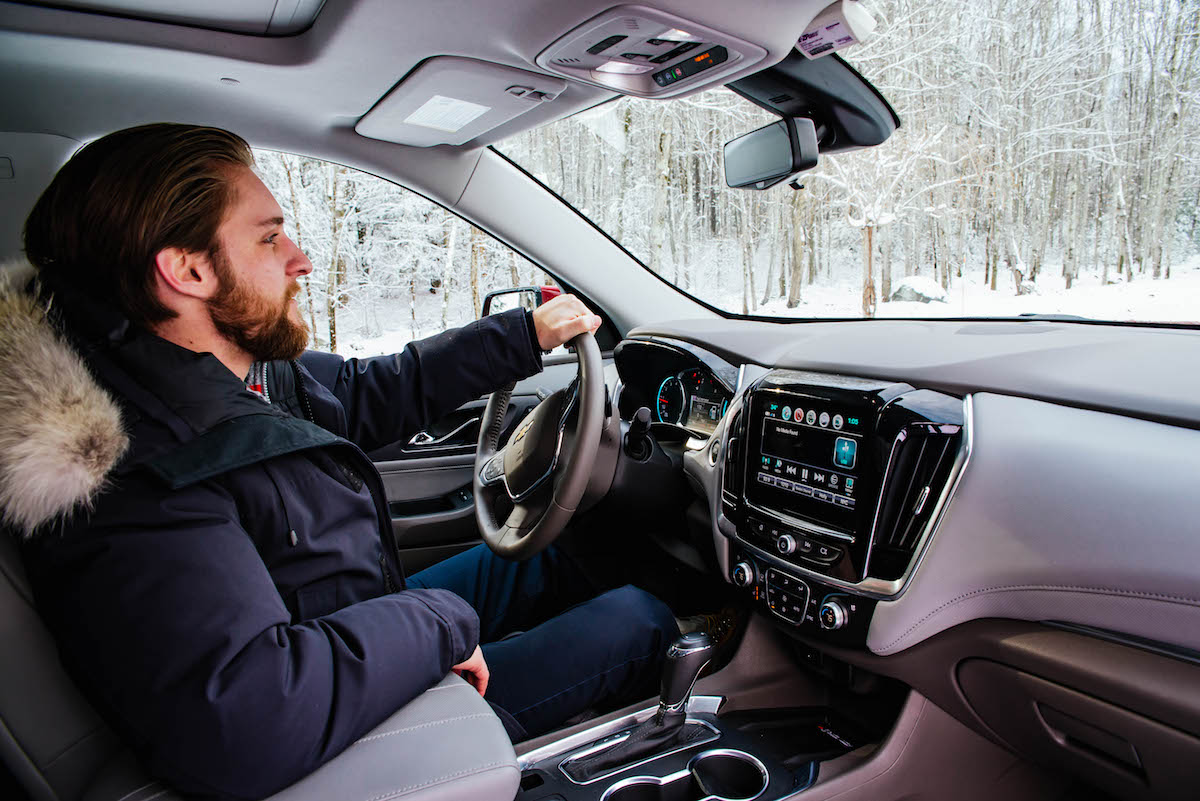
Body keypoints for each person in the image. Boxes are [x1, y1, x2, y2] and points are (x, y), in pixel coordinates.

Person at [4, 123, 679, 801]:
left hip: (349, 628)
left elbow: (363, 393)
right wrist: (441, 627)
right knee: (640, 617)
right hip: (357, 728)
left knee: (548, 556)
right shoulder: (134, 468)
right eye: (269, 237)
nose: (299, 259)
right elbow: (248, 711)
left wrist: (522, 336)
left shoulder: (213, 372)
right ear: (188, 269)